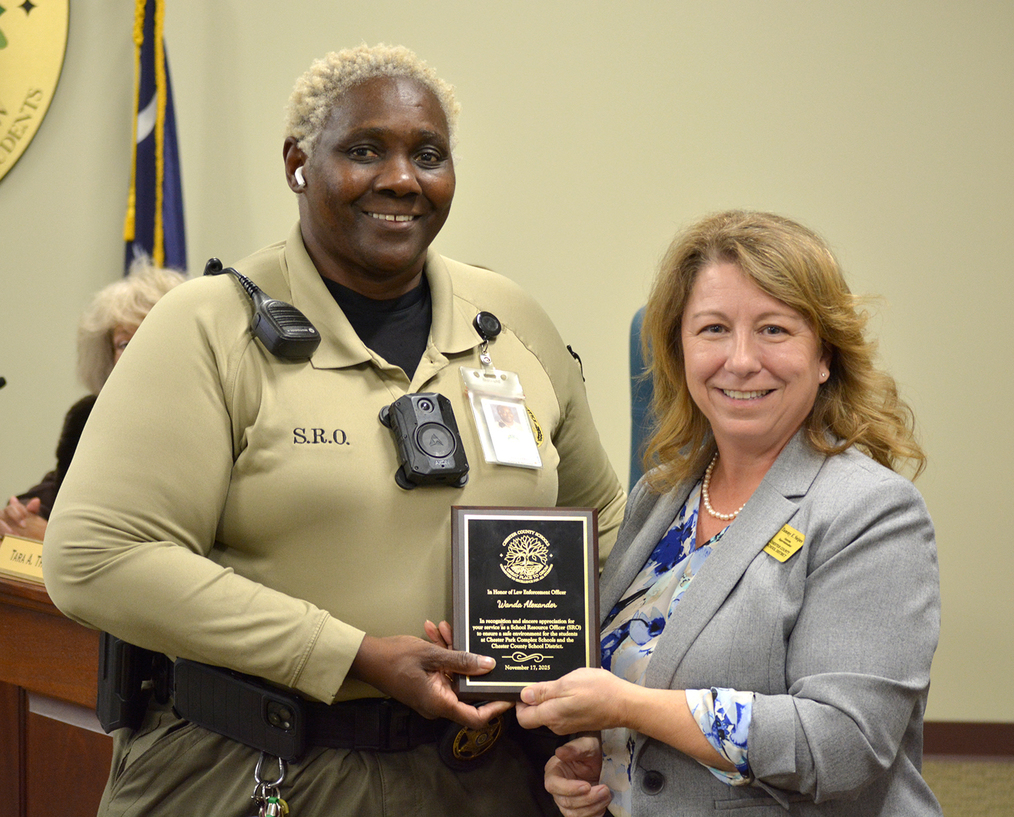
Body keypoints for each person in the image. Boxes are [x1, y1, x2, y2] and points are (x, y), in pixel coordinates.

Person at [44, 43, 625, 816]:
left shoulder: (512, 320)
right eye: (364, 150)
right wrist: (351, 654)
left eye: (428, 155)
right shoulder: (206, 326)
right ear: (298, 164)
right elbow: (96, 555)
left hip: (483, 774)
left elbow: (602, 522)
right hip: (261, 767)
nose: (402, 179)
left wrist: (606, 690)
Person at [516, 210, 941, 816]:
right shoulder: (661, 495)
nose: (740, 360)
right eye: (713, 329)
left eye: (774, 329)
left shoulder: (872, 511)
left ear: (825, 355)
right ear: (680, 350)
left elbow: (841, 745)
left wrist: (628, 708)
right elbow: (641, 676)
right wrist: (602, 756)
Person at [0, 260, 186, 541]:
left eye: (150, 336)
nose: (135, 353)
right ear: (108, 357)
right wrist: (21, 516)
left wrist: (54, 539)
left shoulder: (204, 423)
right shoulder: (89, 416)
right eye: (124, 343)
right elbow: (61, 489)